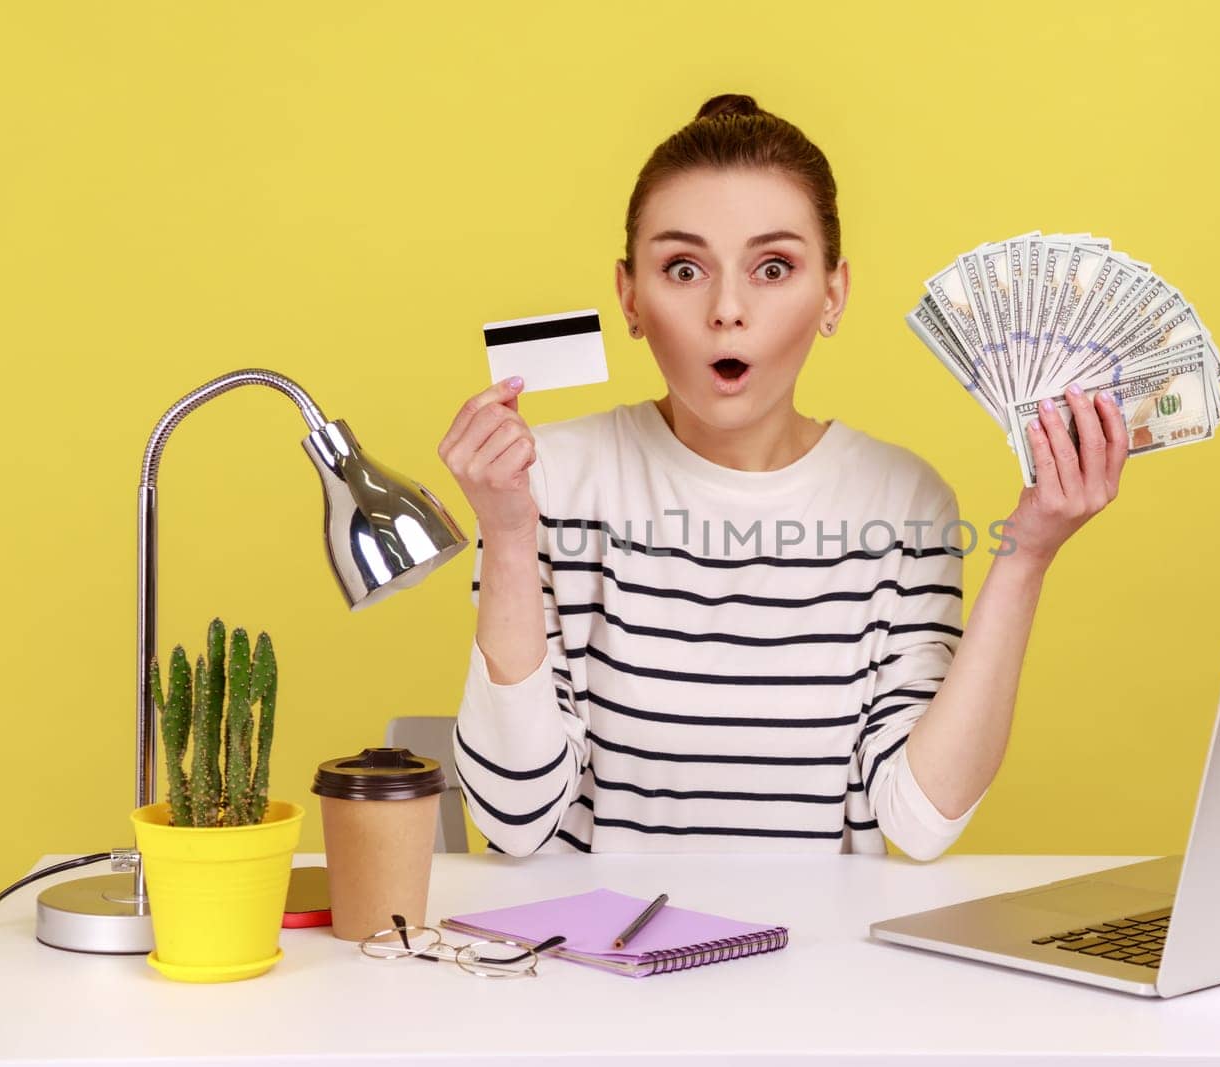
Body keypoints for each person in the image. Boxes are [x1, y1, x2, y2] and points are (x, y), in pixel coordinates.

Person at [437, 93, 1128, 860]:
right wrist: (505, 535)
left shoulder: (905, 501)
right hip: (600, 968)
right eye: (683, 267)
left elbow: (921, 820)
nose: (727, 309)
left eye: (773, 267)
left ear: (833, 295)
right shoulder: (546, 481)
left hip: (814, 971)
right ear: (630, 297)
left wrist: (1027, 554)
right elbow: (512, 816)